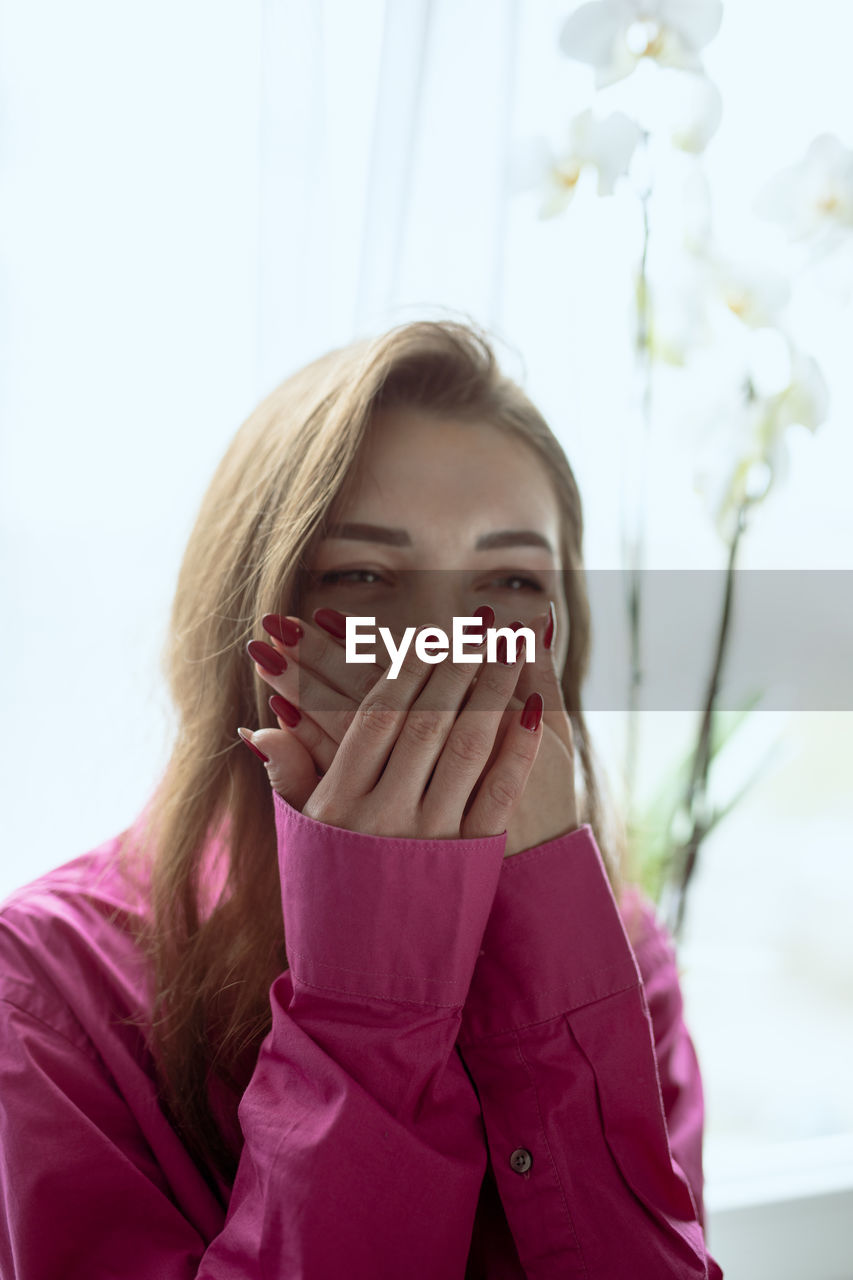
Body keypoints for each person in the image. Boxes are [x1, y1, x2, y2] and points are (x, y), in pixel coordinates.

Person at [0, 319, 724, 1278]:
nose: (446, 642)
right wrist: (370, 1002)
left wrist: (545, 958)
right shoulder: (47, 990)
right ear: (252, 626)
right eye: (365, 577)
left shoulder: (619, 949)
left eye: (510, 581)